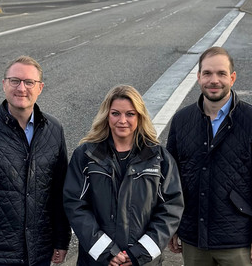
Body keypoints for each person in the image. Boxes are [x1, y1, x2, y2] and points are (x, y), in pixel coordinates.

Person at [166, 47, 252, 266]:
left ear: (232, 78)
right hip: (193, 240)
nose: (214, 80)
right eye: (208, 73)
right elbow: (171, 182)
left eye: (221, 74)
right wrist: (172, 227)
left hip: (238, 241)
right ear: (199, 77)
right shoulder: (181, 121)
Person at [0, 56, 71, 266]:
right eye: (14, 81)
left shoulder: (54, 130)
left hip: (39, 250)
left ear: (40, 88)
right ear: (4, 84)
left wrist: (62, 239)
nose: (21, 88)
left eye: (29, 82)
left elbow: (59, 191)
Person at [64, 85, 184, 266]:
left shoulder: (159, 158)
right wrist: (107, 252)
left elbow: (171, 208)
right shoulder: (86, 155)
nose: (122, 120)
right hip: (97, 261)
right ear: (106, 115)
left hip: (143, 262)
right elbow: (75, 205)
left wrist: (139, 253)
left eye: (130, 114)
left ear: (140, 116)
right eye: (115, 113)